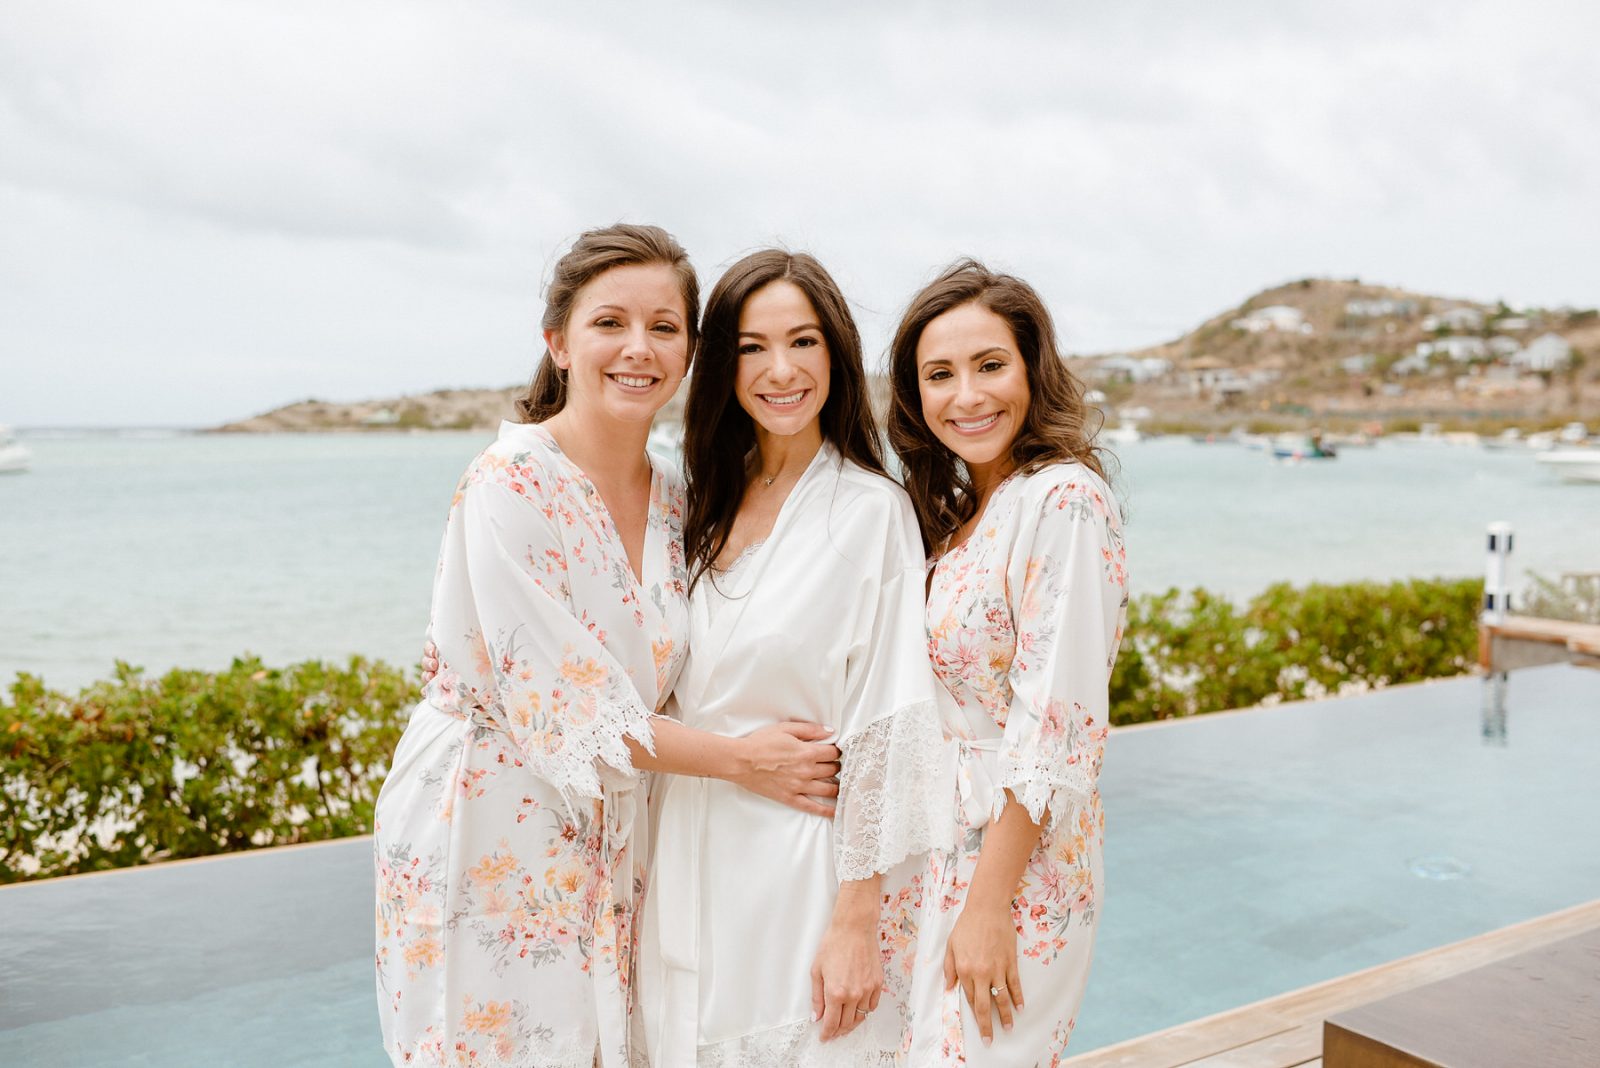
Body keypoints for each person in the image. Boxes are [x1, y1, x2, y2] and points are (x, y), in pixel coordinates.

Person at [374, 225, 841, 1068]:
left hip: (620, 832)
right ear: (558, 342)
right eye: (609, 323)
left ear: (690, 352)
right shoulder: (510, 482)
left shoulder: (680, 499)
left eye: (664, 327)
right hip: (490, 818)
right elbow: (572, 711)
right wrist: (747, 761)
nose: (638, 348)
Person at [636, 250, 950, 1067]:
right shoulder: (701, 501)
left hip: (802, 864)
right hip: (686, 846)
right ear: (723, 365)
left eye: (803, 341)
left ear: (836, 354)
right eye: (752, 347)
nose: (781, 370)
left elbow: (890, 721)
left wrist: (857, 920)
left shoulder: (870, 512)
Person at [886, 260, 1129, 1066]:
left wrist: (989, 904)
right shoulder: (960, 516)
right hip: (935, 843)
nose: (968, 395)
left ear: (1032, 369)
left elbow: (1058, 725)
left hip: (1018, 864)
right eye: (940, 374)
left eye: (990, 365)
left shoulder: (1064, 500)